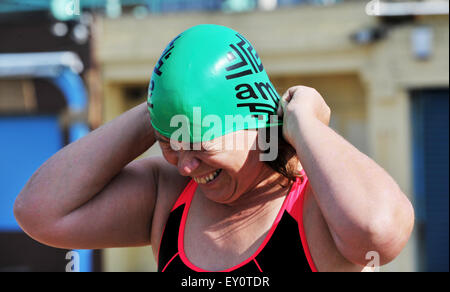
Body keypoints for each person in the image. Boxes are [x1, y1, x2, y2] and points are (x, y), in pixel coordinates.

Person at [13, 24, 414, 272]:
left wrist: (302, 122)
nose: (185, 166)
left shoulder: (315, 202)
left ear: (254, 120)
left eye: (199, 144)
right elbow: (39, 212)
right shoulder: (167, 196)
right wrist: (158, 109)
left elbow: (379, 234)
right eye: (169, 144)